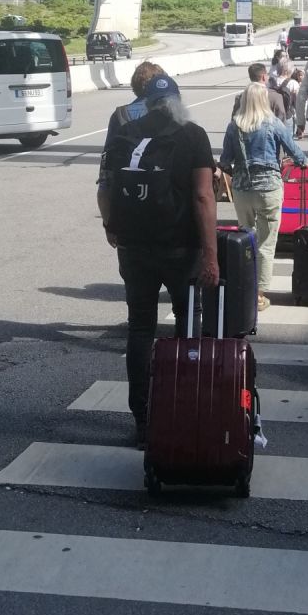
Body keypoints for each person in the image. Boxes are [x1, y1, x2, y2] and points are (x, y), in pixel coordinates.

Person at [97, 74, 219, 447]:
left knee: (140, 330)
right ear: (178, 102)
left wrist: (111, 226)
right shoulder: (193, 135)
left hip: (133, 247)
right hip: (179, 248)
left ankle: (143, 417)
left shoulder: (125, 131)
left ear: (146, 102)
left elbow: (106, 187)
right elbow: (202, 197)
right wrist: (211, 254)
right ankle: (179, 410)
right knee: (186, 325)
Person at [220, 82, 307, 312]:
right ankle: (258, 295)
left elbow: (225, 160)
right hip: (269, 189)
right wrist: (302, 162)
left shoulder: (234, 126)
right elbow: (295, 152)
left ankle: (242, 288)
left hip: (242, 190)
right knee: (266, 244)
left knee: (244, 240)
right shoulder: (273, 124)